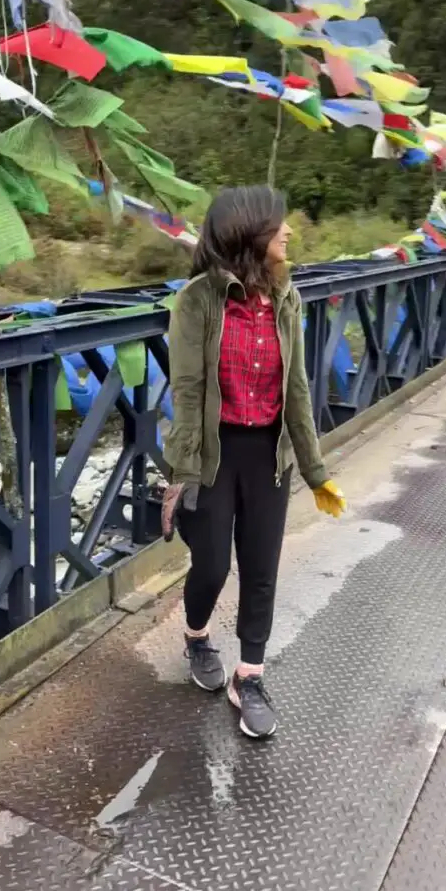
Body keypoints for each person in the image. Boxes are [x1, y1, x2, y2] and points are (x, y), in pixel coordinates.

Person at [162, 185, 346, 739]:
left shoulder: (287, 296)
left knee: (262, 569)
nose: (288, 232)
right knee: (213, 565)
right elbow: (188, 392)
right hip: (215, 455)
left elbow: (298, 389)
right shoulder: (198, 299)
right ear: (248, 233)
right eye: (278, 225)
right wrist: (182, 474)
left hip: (269, 455)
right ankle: (196, 635)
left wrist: (315, 471)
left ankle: (250, 676)